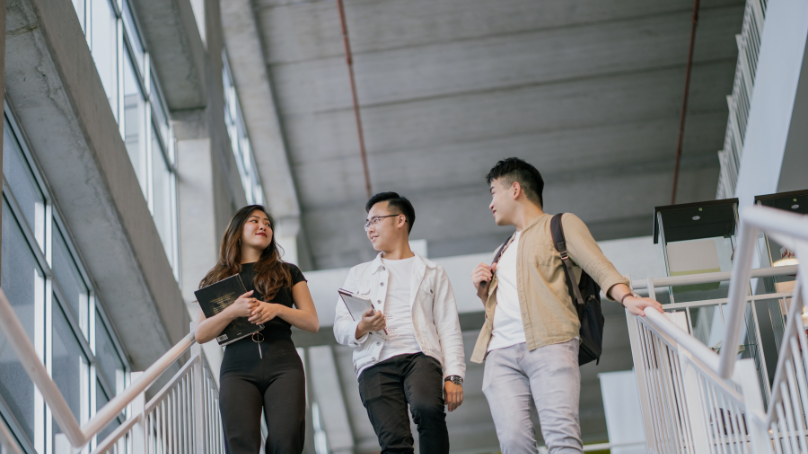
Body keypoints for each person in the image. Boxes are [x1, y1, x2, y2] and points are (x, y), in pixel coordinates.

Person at [469, 158, 663, 454]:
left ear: (515, 189)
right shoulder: (501, 249)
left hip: (550, 342)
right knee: (513, 444)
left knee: (562, 438)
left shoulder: (559, 224)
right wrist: (483, 292)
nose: (490, 203)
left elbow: (597, 264)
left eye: (494, 192)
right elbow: (502, 306)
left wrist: (628, 298)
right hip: (500, 354)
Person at [334, 192, 466, 454]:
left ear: (400, 220)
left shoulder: (432, 272)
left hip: (420, 355)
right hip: (374, 362)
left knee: (428, 409)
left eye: (376, 220)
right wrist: (363, 326)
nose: (370, 228)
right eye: (367, 223)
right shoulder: (359, 274)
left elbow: (448, 326)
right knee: (395, 442)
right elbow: (340, 327)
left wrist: (454, 376)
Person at [194, 205, 319, 454]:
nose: (263, 226)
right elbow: (201, 333)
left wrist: (277, 310)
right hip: (237, 369)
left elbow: (312, 322)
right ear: (238, 232)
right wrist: (233, 310)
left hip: (283, 365)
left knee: (287, 440)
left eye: (268, 223)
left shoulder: (288, 272)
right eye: (254, 221)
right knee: (240, 443)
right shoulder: (218, 278)